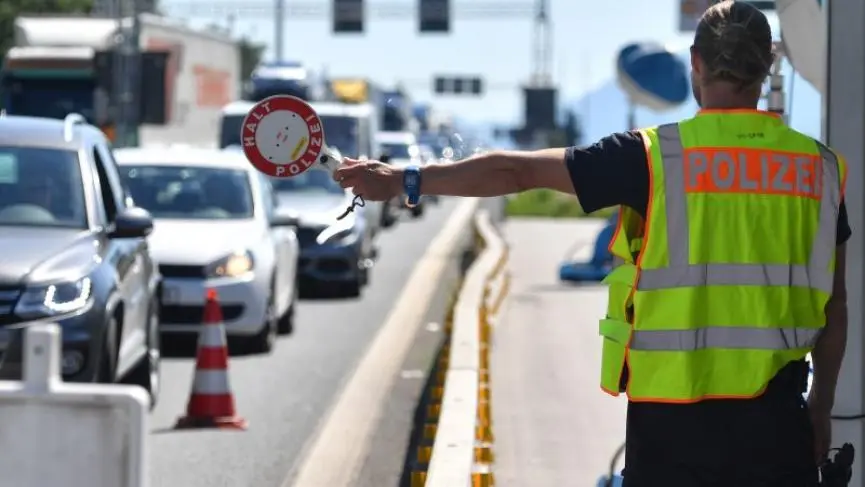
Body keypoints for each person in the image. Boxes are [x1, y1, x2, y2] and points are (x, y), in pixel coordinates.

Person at [333, 2, 850, 486]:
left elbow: (516, 170)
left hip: (671, 435)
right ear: (769, 64)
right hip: (778, 431)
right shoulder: (819, 169)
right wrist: (820, 409)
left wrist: (405, 180)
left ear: (696, 63)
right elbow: (836, 305)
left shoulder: (652, 157)